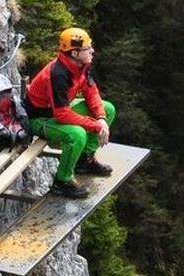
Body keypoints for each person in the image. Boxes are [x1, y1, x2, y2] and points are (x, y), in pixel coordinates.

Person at [25, 27, 116, 198]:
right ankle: (62, 182)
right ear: (74, 53)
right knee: (77, 135)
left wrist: (101, 118)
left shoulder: (82, 66)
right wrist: (95, 125)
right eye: (88, 48)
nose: (92, 50)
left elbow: (91, 92)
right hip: (41, 119)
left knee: (108, 109)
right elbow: (62, 115)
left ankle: (84, 160)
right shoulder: (58, 74)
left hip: (57, 112)